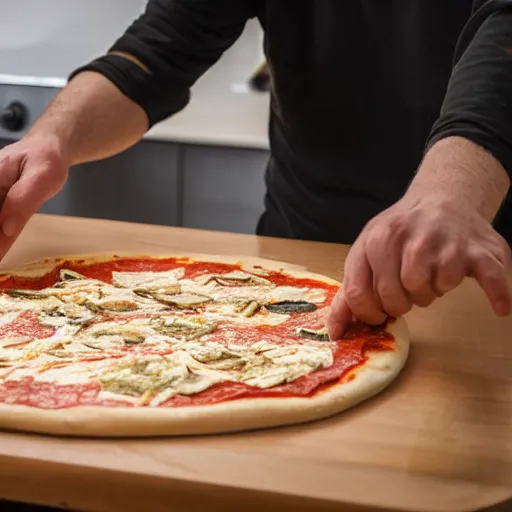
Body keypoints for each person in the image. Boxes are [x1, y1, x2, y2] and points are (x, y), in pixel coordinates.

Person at [0, 0, 511, 342]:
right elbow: (164, 44)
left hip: (483, 267)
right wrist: (51, 140)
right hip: (305, 261)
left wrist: (448, 195)